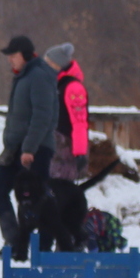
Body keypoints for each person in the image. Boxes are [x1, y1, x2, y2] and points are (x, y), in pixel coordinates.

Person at [0, 35, 59, 262]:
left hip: (35, 149)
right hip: (16, 149)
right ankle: (13, 241)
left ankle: (46, 247)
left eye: (13, 55)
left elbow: (43, 116)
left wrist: (29, 148)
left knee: (40, 199)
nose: (9, 59)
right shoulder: (23, 76)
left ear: (26, 54)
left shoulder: (39, 76)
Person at [44, 43, 90, 181]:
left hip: (67, 148)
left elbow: (79, 121)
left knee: (61, 191)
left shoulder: (73, 88)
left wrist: (80, 152)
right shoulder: (57, 85)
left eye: (48, 63)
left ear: (57, 64)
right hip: (56, 148)